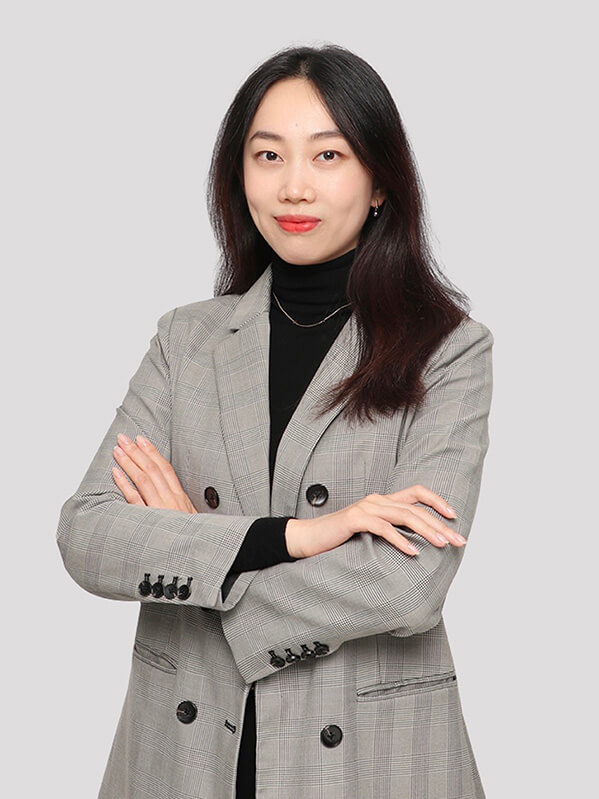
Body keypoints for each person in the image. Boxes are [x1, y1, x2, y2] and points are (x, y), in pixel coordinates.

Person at [57, 43, 493, 799]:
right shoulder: (185, 340)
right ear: (240, 174)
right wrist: (293, 537)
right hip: (182, 755)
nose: (294, 185)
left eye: (328, 155)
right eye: (268, 155)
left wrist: (198, 548)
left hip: (372, 761)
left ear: (379, 180)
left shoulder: (447, 349)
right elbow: (88, 534)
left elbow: (407, 582)